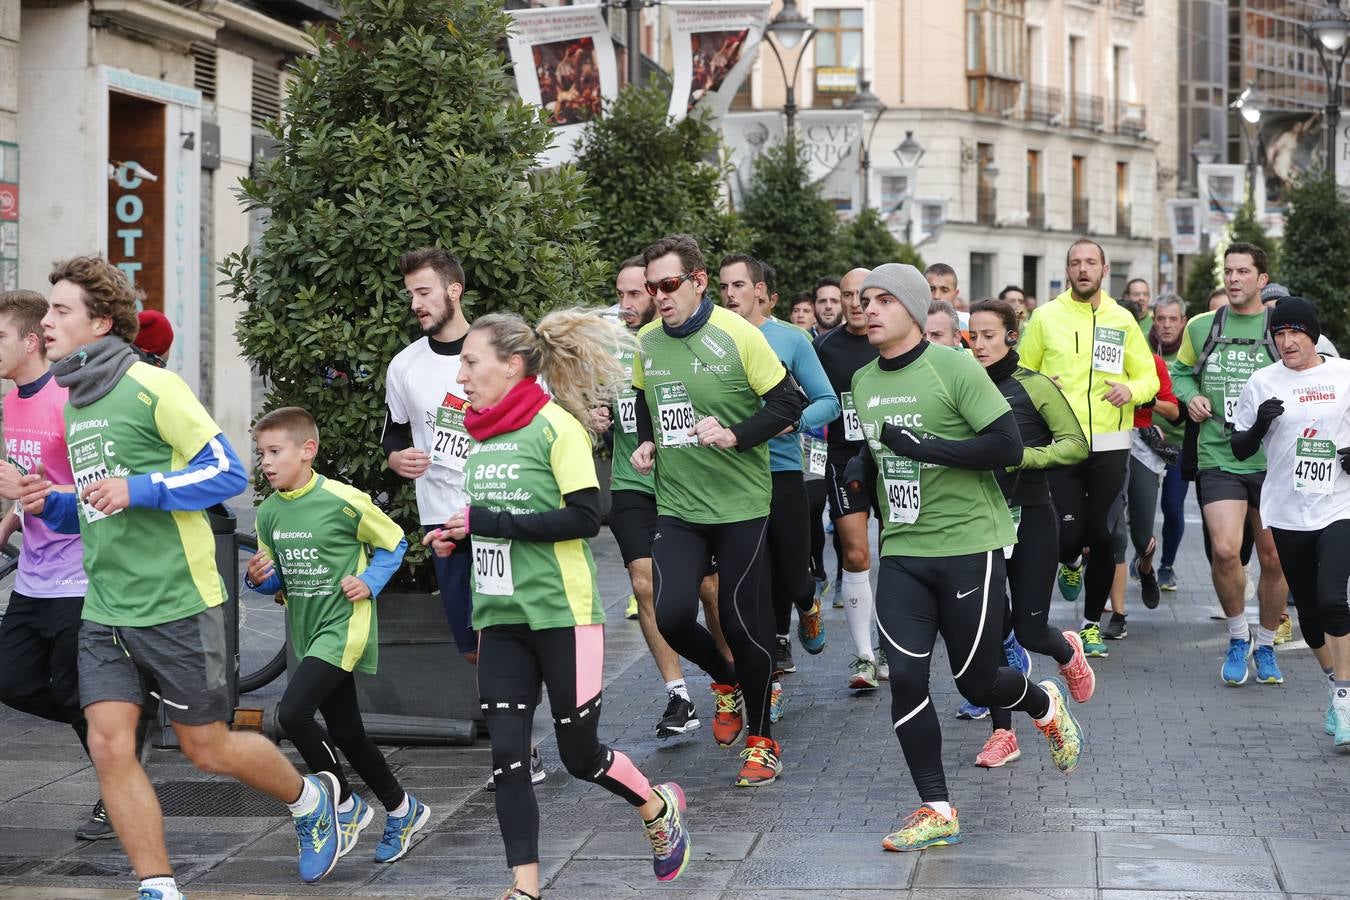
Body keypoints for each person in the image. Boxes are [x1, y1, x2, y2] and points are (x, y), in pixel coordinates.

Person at [20, 256, 342, 898]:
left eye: (60, 311)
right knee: (110, 746)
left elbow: (225, 473)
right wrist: (50, 500)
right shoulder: (77, 402)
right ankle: (158, 885)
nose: (45, 323)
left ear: (101, 322)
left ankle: (311, 801)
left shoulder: (152, 387)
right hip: (106, 606)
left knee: (207, 748)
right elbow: (96, 503)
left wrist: (139, 487)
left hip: (178, 601)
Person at [424, 311, 691, 899]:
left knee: (579, 754)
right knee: (508, 757)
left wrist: (487, 520)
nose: (462, 373)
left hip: (562, 615)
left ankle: (656, 804)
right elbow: (495, 517)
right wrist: (461, 534)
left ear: (512, 365)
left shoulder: (556, 428)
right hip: (499, 616)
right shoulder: (480, 434)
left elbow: (583, 516)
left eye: (471, 361)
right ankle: (525, 888)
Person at [845, 264, 1084, 851]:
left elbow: (1005, 446)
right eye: (863, 300)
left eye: (882, 300)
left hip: (967, 543)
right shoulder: (865, 380)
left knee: (976, 680)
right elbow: (879, 449)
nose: (868, 309)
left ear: (913, 308)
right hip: (902, 547)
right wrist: (860, 467)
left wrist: (927, 447)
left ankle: (1041, 701)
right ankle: (936, 808)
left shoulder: (954, 365)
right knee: (904, 677)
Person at [631, 234, 804, 786]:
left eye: (668, 284)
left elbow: (788, 402)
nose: (658, 296)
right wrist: (646, 439)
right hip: (679, 504)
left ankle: (763, 740)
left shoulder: (738, 335)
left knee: (738, 619)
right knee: (673, 614)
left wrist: (735, 434)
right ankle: (725, 680)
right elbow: (644, 400)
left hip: (740, 505)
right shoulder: (649, 342)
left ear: (698, 281)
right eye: (651, 287)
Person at [381, 248, 547, 786]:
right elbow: (396, 432)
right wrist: (395, 458)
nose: (415, 303)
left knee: (508, 633)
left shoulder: (498, 354)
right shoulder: (404, 366)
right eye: (410, 294)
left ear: (454, 290)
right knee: (475, 647)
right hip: (442, 523)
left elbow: (537, 423)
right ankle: (514, 739)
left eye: (424, 291)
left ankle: (519, 749)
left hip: (500, 514)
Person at [246, 407, 428, 864]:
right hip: (304, 631)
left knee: (292, 714)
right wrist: (257, 578)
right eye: (260, 453)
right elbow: (277, 580)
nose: (265, 463)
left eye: (274, 451)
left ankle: (343, 805)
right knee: (348, 733)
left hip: (343, 626)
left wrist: (369, 581)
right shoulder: (268, 512)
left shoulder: (343, 500)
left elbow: (394, 541)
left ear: (308, 451)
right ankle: (404, 810)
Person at [0, 289, 112, 841]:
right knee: (12, 682)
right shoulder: (10, 402)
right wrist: (13, 516)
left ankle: (118, 781)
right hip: (32, 575)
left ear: (28, 341)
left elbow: (96, 486)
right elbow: (27, 479)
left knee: (72, 691)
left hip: (78, 574)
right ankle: (117, 737)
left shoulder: (69, 402)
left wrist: (41, 496)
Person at [966, 298, 1097, 768]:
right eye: (972, 336)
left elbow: (1076, 444)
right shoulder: (961, 383)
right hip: (978, 521)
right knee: (987, 633)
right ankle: (1004, 733)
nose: (978, 344)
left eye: (987, 335)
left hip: (1032, 515)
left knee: (1029, 628)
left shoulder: (1034, 386)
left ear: (1011, 337)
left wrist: (1027, 457)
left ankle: (1066, 649)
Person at [1017, 239, 1159, 658]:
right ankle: (1070, 562)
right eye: (1075, 263)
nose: (1083, 269)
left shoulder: (1122, 319)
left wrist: (1129, 389)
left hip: (1112, 444)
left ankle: (1091, 624)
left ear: (1104, 268)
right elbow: (1021, 374)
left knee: (1103, 535)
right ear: (1067, 270)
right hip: (1062, 442)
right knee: (1068, 536)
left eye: (1090, 262)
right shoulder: (1045, 317)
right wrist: (1044, 387)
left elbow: (1148, 379)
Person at [597, 256, 715, 738]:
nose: (625, 304)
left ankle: (732, 671)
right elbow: (597, 404)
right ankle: (678, 696)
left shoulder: (679, 341)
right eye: (621, 294)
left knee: (709, 590)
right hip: (631, 481)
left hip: (688, 482)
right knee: (643, 584)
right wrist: (595, 418)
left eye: (635, 294)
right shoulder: (608, 347)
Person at [718, 254, 838, 722]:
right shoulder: (713, 339)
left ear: (761, 291)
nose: (730, 295)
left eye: (739, 285)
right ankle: (767, 686)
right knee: (755, 588)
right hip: (731, 476)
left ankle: (808, 601)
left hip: (783, 473)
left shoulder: (789, 338)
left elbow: (827, 401)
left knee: (791, 577)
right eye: (724, 286)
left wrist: (794, 422)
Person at [1229, 297, 1350, 744]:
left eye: (1295, 332)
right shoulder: (1262, 381)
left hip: (1340, 504)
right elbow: (1239, 448)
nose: (1286, 341)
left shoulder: (1344, 374)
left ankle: (1346, 700)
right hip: (1286, 509)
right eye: (1279, 334)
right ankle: (1338, 691)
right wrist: (1259, 426)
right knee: (1312, 617)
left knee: (1331, 596)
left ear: (1313, 334)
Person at [1171, 242, 1289, 686]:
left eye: (1243, 272)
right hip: (1219, 452)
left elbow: (1308, 373)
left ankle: (1266, 643)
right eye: (1229, 270)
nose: (1234, 278)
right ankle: (1239, 636)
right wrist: (1191, 396)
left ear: (1262, 280)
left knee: (1274, 558)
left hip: (1273, 457)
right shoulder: (1202, 327)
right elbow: (1180, 373)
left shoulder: (1280, 328)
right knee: (1224, 549)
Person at [814, 266, 885, 689]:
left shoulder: (891, 340)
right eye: (847, 295)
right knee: (856, 554)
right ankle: (863, 656)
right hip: (844, 458)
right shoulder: (824, 348)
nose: (856, 303)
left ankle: (894, 645)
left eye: (864, 294)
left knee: (897, 557)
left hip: (893, 456)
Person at [1148, 294, 1189, 592]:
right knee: (1140, 511)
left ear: (1183, 321)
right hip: (1143, 440)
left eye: (1173, 319)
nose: (1166, 325)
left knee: (1173, 508)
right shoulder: (1141, 350)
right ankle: (1143, 560)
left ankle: (1167, 566)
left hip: (1179, 442)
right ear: (1153, 319)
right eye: (1161, 318)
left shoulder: (1193, 352)